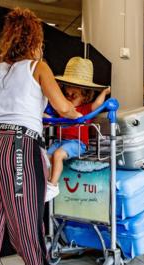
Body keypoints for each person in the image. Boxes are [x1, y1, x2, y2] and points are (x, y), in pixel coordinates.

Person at [0, 8, 83, 265]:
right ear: (35, 40)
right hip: (19, 147)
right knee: (26, 224)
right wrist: (81, 116)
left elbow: (3, 109)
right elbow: (64, 108)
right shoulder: (38, 67)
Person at [45, 57, 111, 201]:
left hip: (78, 143)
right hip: (60, 141)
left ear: (85, 96)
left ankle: (52, 185)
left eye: (74, 95)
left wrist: (104, 93)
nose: (69, 98)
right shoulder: (62, 109)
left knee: (58, 155)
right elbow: (49, 115)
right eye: (67, 95)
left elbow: (98, 104)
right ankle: (46, 182)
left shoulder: (86, 109)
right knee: (46, 157)